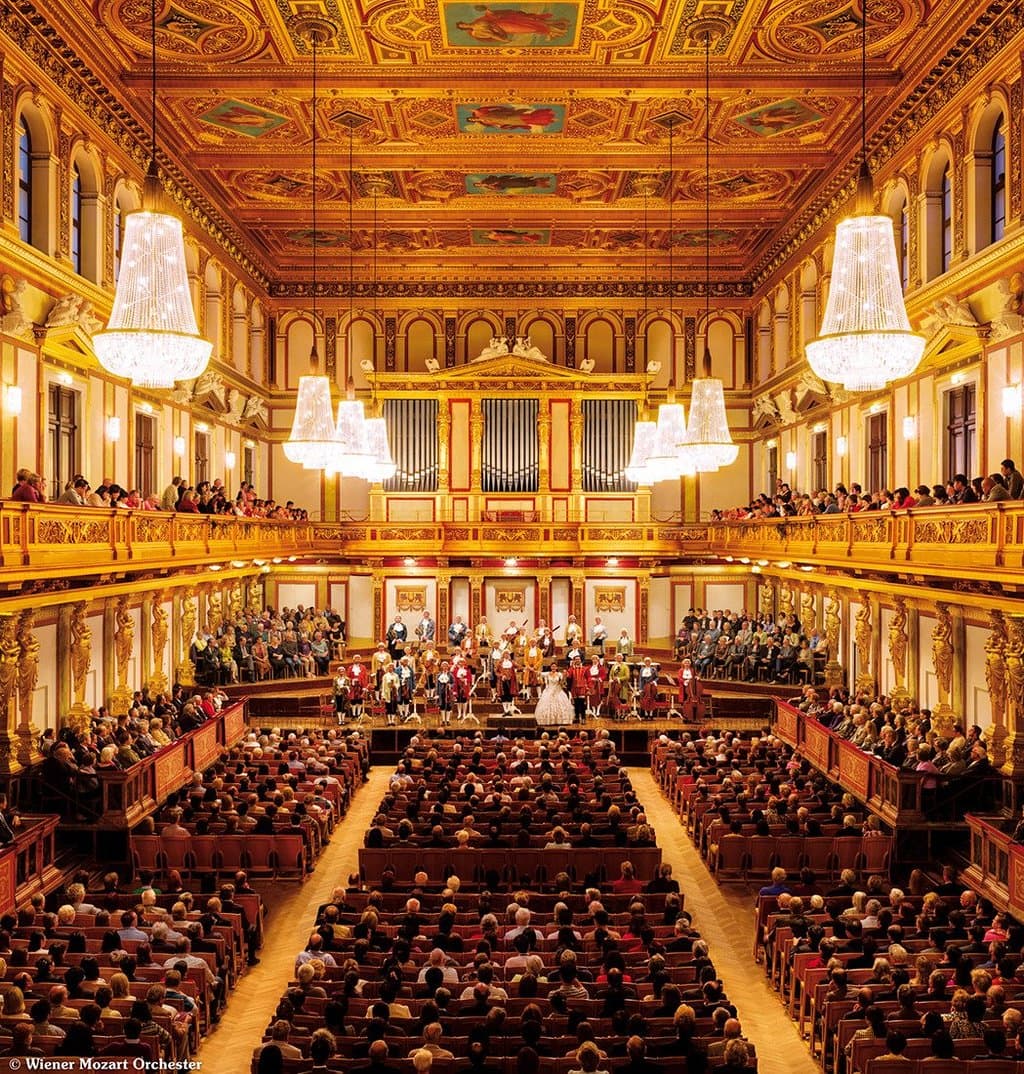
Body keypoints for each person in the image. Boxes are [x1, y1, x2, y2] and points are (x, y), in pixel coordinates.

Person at [535, 663, 573, 727]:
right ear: (550, 667)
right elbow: (538, 674)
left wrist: (564, 676)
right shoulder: (547, 673)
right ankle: (548, 720)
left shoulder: (559, 674)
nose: (553, 668)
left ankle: (560, 720)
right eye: (552, 666)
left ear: (556, 667)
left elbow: (562, 682)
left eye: (555, 666)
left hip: (558, 690)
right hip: (549, 690)